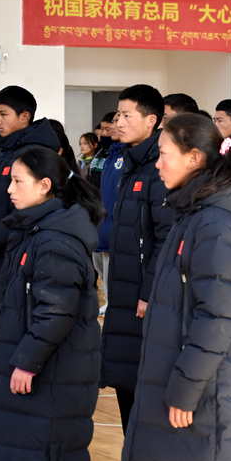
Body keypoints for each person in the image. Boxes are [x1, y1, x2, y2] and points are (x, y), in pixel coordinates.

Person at [120, 113, 231, 461]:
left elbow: (217, 317)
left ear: (193, 158)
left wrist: (186, 388)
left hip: (210, 396)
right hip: (197, 386)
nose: (157, 164)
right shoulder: (195, 213)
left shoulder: (216, 225)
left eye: (164, 154)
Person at [0, 146, 105, 461]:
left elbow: (56, 310)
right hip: (27, 362)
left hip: (48, 372)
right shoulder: (33, 230)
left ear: (44, 186)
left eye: (18, 181)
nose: (10, 189)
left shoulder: (55, 240)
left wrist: (28, 362)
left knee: (38, 451)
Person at [100, 84, 174, 436]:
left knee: (144, 376)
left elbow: (167, 236)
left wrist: (149, 290)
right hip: (125, 287)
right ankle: (133, 452)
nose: (118, 121)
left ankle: (145, 452)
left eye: (126, 115)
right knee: (124, 373)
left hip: (145, 294)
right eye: (118, 114)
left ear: (151, 120)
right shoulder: (129, 160)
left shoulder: (159, 165)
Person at [0, 85, 61, 349]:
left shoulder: (36, 153)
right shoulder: (4, 149)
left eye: (3, 114)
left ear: (24, 117)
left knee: (12, 337)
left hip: (18, 252)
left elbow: (26, 212)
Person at [94, 112, 123, 314]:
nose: (113, 126)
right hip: (103, 223)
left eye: (116, 121)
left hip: (116, 226)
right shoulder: (109, 154)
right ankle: (108, 301)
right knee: (104, 270)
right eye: (113, 121)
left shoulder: (125, 156)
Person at [87, 112, 118, 189]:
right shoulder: (99, 152)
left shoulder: (119, 153)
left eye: (108, 129)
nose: (104, 133)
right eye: (102, 129)